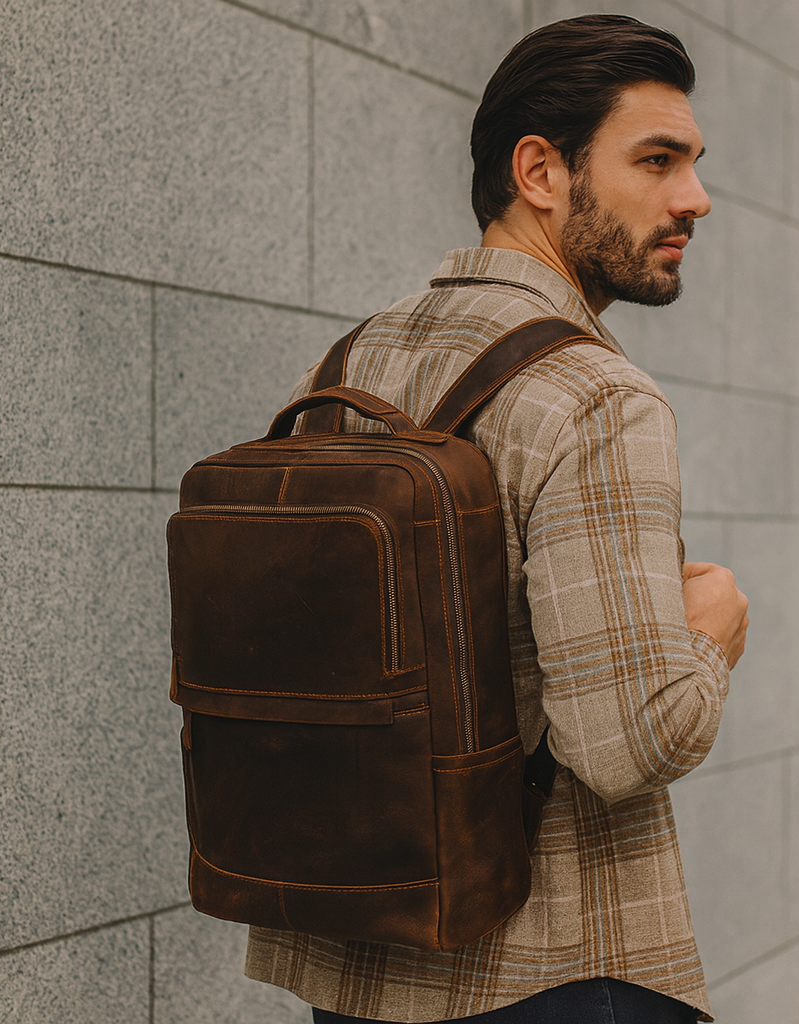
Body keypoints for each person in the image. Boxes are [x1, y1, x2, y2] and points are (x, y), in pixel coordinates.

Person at [245, 14, 748, 1023]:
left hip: (352, 959)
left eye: (692, 163)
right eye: (655, 160)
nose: (693, 197)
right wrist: (710, 639)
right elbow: (624, 746)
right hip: (552, 967)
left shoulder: (339, 374)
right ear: (539, 170)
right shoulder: (594, 395)